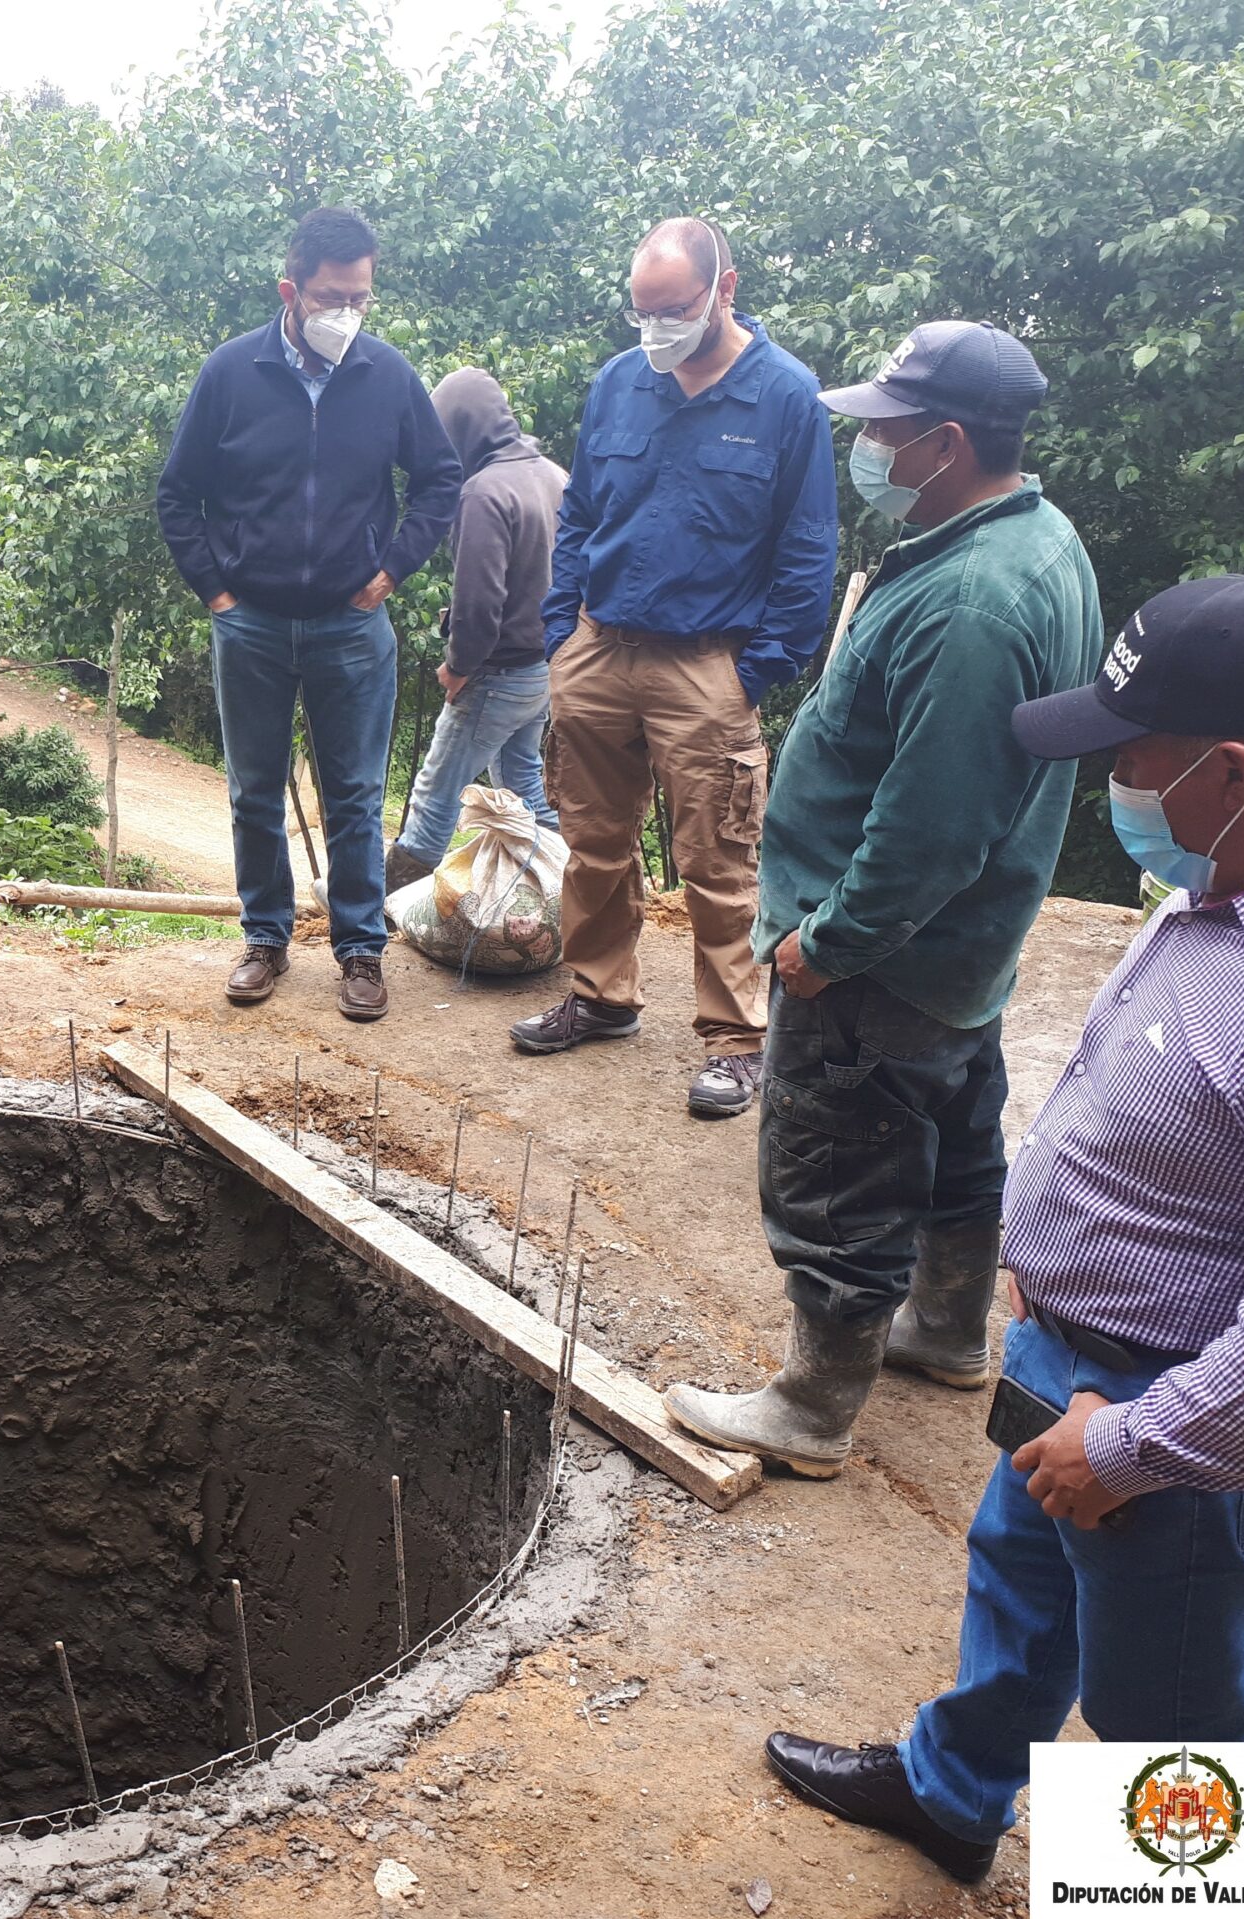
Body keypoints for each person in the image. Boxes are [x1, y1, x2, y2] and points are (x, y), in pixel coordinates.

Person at [764, 572, 1244, 1883]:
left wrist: (1127, 1448)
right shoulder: (1220, 894)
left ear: (1232, 773)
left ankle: (1210, 1901)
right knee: (1021, 1590)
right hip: (1072, 1361)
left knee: (1170, 1716)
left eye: (1132, 758)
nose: (1111, 783)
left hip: (1174, 1421)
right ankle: (951, 1793)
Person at [661, 321, 1099, 1476]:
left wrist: (827, 943)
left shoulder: (972, 602)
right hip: (958, 950)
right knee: (951, 1139)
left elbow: (930, 825)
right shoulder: (1037, 541)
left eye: (886, 431)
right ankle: (946, 1328)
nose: (869, 449)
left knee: (836, 1167)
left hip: (881, 957)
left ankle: (811, 1409)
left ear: (945, 442)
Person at [515, 219, 839, 1116]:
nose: (656, 328)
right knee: (591, 843)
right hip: (598, 649)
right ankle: (600, 996)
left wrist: (759, 670)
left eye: (674, 309)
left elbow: (808, 545)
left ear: (724, 289)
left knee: (720, 861)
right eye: (642, 311)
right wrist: (562, 631)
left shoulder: (786, 396)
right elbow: (580, 513)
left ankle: (736, 1040)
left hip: (706, 665)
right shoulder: (619, 382)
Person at [156, 206, 462, 1022]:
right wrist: (217, 592)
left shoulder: (387, 375)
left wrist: (392, 569)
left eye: (360, 298)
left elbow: (439, 479)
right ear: (290, 291)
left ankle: (360, 951)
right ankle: (265, 938)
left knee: (356, 797)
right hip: (250, 622)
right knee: (254, 792)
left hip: (351, 626)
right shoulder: (231, 373)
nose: (347, 314)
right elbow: (177, 493)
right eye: (332, 297)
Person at [384, 367, 566, 892]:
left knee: (436, 791)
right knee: (522, 779)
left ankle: (382, 903)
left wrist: (459, 665)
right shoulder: (553, 476)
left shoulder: (483, 493)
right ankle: (568, 887)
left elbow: (479, 602)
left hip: (498, 671)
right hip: (544, 666)